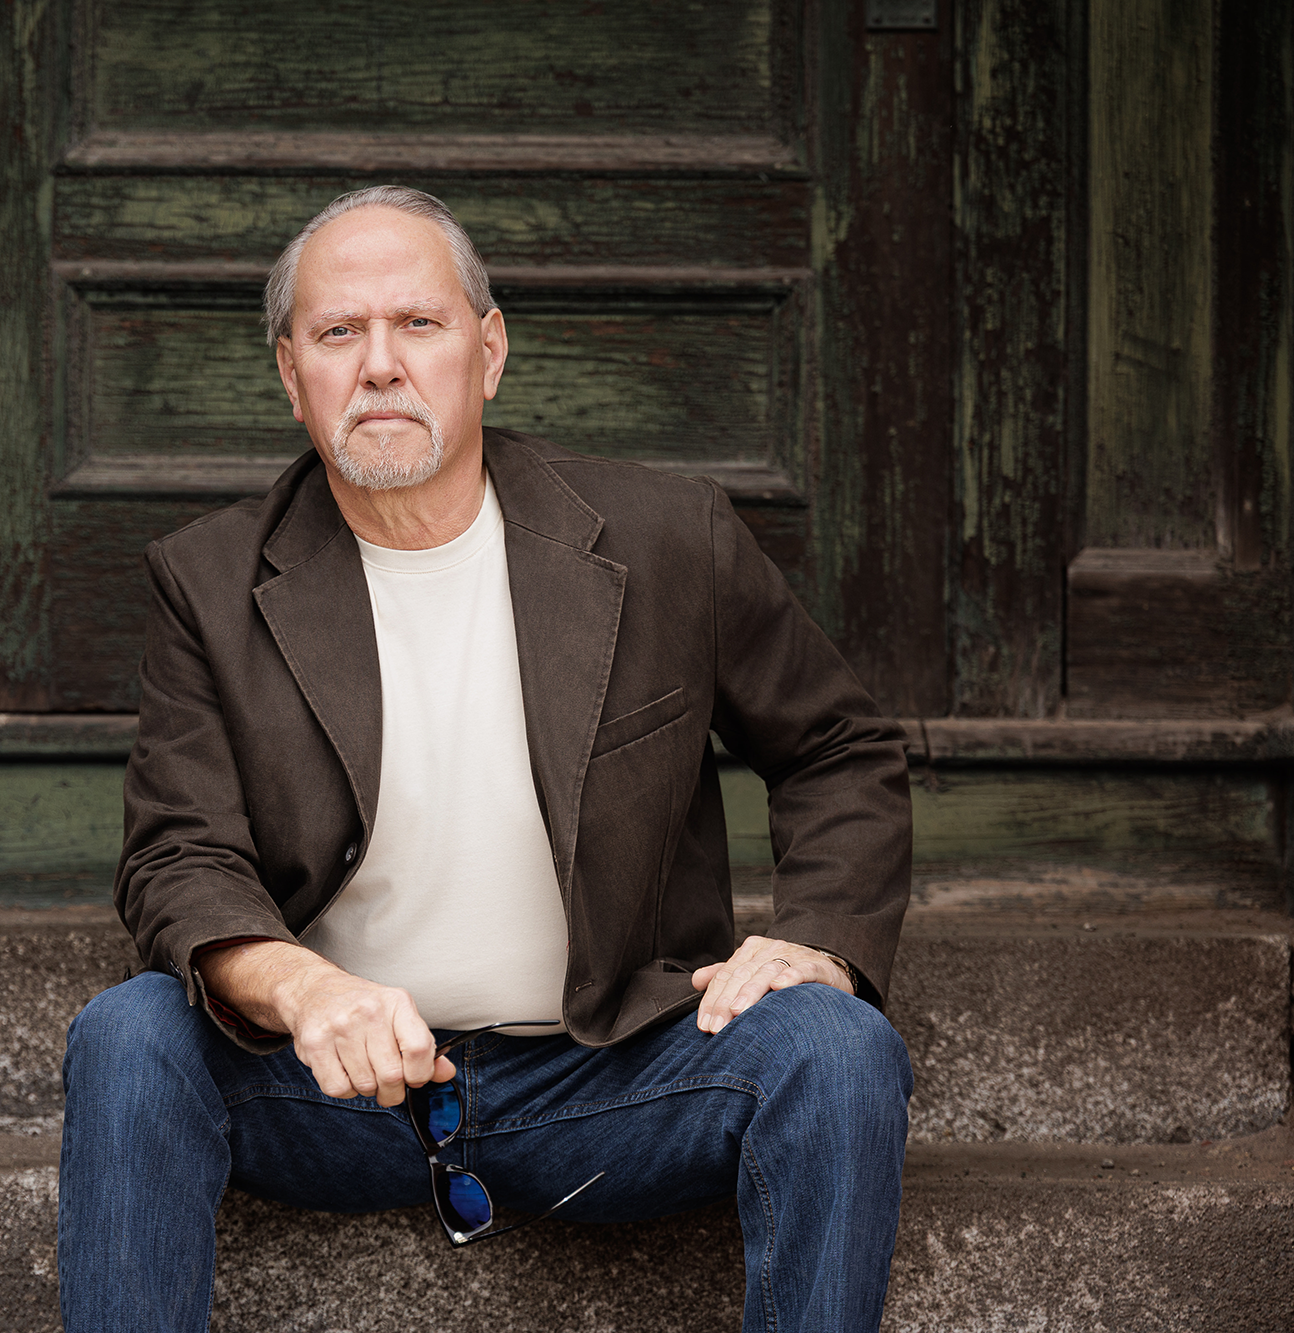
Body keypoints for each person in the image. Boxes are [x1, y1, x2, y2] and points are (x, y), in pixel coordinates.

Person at [58, 185, 914, 1332]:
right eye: (336, 333)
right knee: (127, 1035)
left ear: (488, 349)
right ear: (289, 374)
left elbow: (838, 746)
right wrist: (304, 991)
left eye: (417, 324)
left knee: (835, 1046)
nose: (378, 365)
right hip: (338, 1093)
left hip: (609, 1075)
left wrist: (816, 940)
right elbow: (176, 854)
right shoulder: (209, 582)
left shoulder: (668, 538)